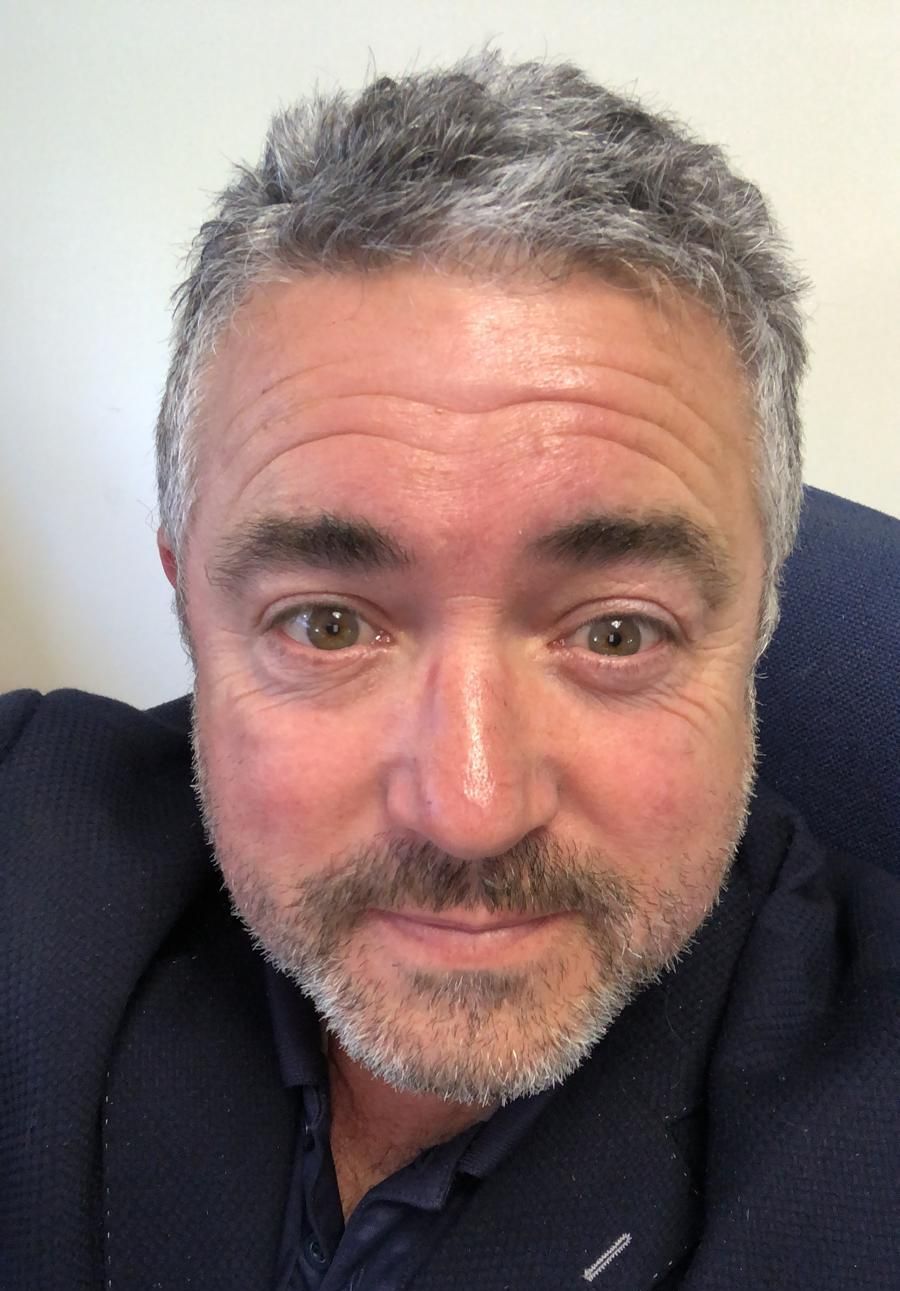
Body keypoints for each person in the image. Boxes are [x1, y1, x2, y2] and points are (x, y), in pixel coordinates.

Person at [1, 51, 897, 1291]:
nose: (469, 809)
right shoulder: (27, 831)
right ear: (187, 593)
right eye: (326, 624)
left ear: (763, 607)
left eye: (616, 631)